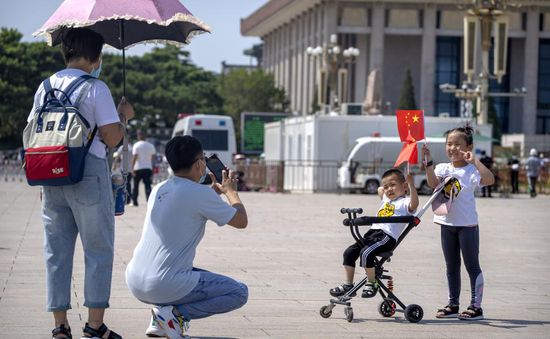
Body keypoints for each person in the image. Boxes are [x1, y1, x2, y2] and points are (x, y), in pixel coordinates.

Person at [29, 28, 135, 339]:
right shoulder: (96, 87)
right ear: (94, 57)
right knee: (98, 249)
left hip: (51, 172)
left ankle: (60, 325)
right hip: (88, 173)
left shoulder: (44, 86)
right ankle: (94, 325)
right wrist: (123, 117)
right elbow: (112, 136)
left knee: (56, 252)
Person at [125, 135, 249, 339]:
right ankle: (175, 315)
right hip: (162, 284)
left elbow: (186, 204)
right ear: (200, 163)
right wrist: (231, 192)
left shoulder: (159, 188)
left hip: (135, 279)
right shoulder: (200, 195)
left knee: (180, 269)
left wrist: (212, 194)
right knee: (239, 292)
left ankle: (159, 320)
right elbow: (241, 221)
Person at [422, 125, 494, 321]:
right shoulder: (443, 168)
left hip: (467, 226)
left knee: (472, 265)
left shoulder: (471, 170)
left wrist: (476, 161)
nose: (452, 148)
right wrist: (428, 163)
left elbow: (489, 179)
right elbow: (432, 183)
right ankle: (453, 304)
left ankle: (476, 307)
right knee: (451, 266)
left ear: (468, 146)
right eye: (449, 144)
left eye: (457, 144)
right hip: (447, 224)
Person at [329, 168, 418, 299]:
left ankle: (372, 282)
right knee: (349, 252)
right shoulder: (386, 200)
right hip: (372, 234)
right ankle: (349, 284)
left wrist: (410, 184)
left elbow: (414, 204)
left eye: (393, 185)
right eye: (386, 186)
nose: (389, 189)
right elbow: (380, 190)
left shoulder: (404, 202)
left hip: (386, 236)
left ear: (404, 186)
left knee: (366, 253)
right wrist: (388, 185)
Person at [131, 130, 156, 206]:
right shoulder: (150, 145)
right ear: (145, 136)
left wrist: (132, 168)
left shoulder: (136, 145)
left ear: (138, 136)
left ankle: (135, 202)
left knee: (135, 186)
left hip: (138, 168)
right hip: (148, 167)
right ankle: (149, 200)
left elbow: (135, 157)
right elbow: (152, 157)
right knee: (148, 185)